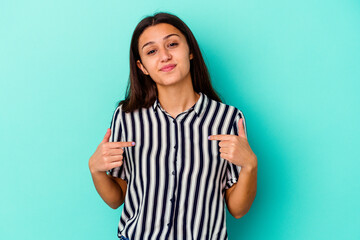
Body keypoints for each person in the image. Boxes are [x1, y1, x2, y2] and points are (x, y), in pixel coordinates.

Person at [88, 12, 257, 240]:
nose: (165, 56)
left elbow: (237, 209)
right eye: (151, 51)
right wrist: (96, 170)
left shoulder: (227, 119)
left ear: (190, 51)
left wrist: (250, 166)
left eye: (172, 44)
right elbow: (117, 197)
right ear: (142, 66)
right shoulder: (127, 117)